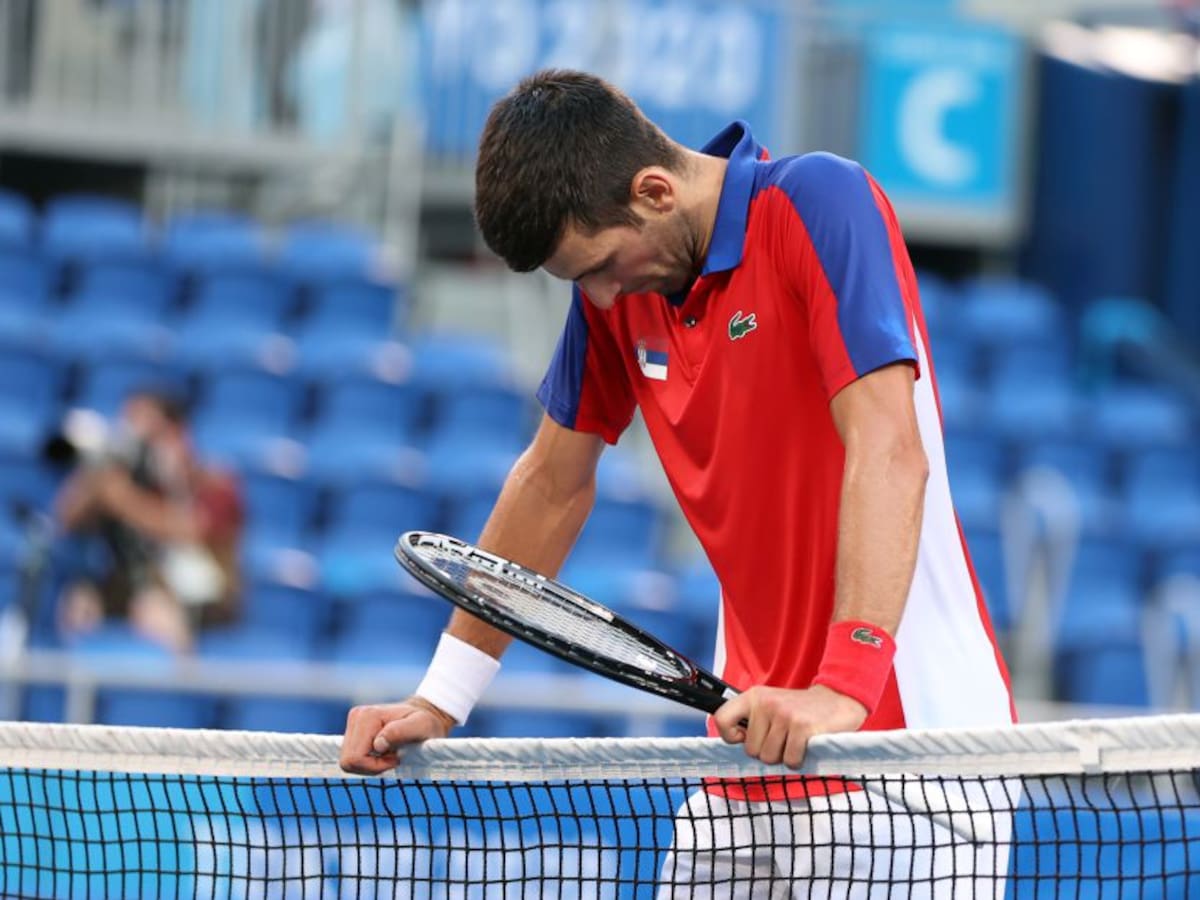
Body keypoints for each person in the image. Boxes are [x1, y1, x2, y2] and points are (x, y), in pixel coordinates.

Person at [340, 70, 1016, 896]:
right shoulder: (616, 297)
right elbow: (551, 482)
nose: (599, 294)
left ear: (654, 190)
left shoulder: (819, 203)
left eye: (600, 265)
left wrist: (843, 687)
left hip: (909, 757)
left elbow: (888, 445)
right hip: (752, 751)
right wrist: (442, 699)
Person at [54, 388, 243, 654]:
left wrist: (123, 497)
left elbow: (190, 531)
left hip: (204, 594)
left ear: (178, 433)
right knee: (79, 602)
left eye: (150, 433)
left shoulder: (215, 480)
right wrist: (94, 473)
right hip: (135, 585)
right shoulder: (129, 480)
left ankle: (176, 690)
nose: (140, 442)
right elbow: (64, 521)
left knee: (156, 612)